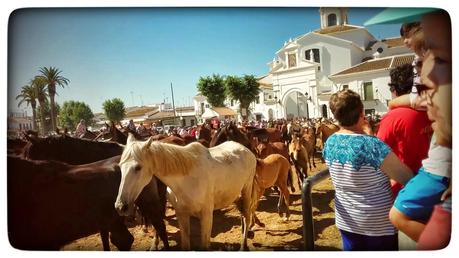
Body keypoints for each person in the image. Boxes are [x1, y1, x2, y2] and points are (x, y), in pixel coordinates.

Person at [388, 9, 452, 246]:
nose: (405, 41)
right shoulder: (421, 64)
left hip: (435, 167)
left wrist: (394, 104)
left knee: (397, 215)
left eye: (408, 34)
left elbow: (420, 100)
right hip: (433, 164)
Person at [323, 89, 413, 251]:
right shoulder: (374, 146)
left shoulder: (330, 142)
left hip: (347, 222)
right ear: (361, 112)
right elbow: (406, 177)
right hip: (378, 226)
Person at [377, 64, 432, 197]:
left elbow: (378, 153)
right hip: (436, 183)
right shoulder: (436, 109)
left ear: (394, 89)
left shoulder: (392, 117)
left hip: (405, 190)